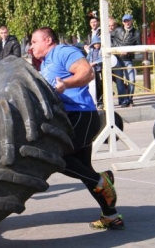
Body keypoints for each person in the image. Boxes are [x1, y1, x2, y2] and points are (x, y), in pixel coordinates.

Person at [31, 27, 124, 230]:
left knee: (55, 157)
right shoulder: (46, 63)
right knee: (83, 170)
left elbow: (87, 72)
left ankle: (102, 179)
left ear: (47, 40)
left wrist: (66, 84)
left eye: (34, 41)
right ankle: (111, 216)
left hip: (82, 115)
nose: (32, 46)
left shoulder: (62, 52)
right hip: (69, 119)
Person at [111, 14, 141, 107]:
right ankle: (123, 100)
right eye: (125, 21)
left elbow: (139, 46)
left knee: (131, 79)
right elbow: (109, 39)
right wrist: (116, 49)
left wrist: (128, 51)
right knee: (119, 80)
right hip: (117, 59)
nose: (127, 22)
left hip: (128, 59)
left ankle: (130, 99)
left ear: (132, 21)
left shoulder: (136, 32)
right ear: (122, 22)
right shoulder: (117, 30)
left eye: (128, 21)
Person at [87, 36, 103, 109]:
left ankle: (100, 101)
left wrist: (95, 62)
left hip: (100, 69)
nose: (97, 45)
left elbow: (102, 58)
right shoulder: (91, 51)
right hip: (93, 70)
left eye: (98, 44)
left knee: (100, 86)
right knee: (94, 86)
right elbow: (88, 59)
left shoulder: (101, 50)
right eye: (95, 44)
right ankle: (95, 101)